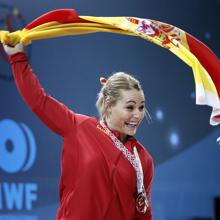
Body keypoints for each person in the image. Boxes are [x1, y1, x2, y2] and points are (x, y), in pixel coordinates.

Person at [3, 43, 154, 220]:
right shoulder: (79, 127)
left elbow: (143, 214)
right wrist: (17, 58)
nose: (137, 115)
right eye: (130, 107)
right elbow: (39, 101)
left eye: (141, 107)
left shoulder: (143, 159)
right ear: (109, 105)